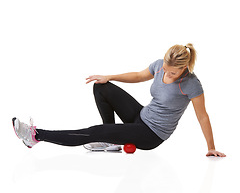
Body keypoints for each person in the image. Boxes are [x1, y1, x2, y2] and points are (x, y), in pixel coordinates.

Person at [12, 43, 226, 157]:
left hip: (151, 135)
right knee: (101, 87)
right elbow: (139, 76)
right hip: (140, 116)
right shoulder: (160, 64)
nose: (166, 75)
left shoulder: (192, 85)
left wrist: (211, 147)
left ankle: (35, 136)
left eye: (172, 74)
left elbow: (203, 117)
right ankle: (111, 139)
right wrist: (109, 76)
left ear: (185, 68)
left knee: (94, 131)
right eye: (165, 71)